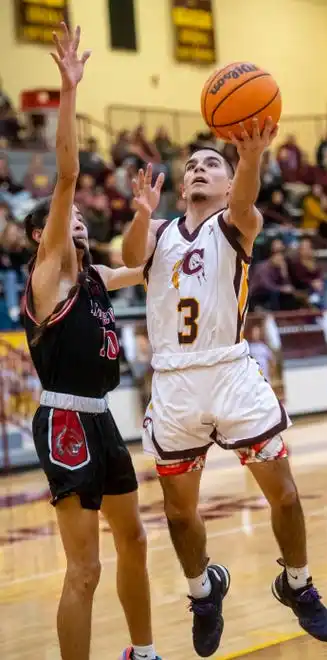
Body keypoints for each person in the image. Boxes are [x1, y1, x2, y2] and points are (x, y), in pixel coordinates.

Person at [122, 117, 327, 657]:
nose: (198, 169)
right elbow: (129, 259)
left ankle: (297, 582)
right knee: (178, 512)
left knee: (285, 496)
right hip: (174, 381)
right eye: (191, 165)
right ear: (181, 184)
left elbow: (245, 198)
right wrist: (142, 213)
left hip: (231, 372)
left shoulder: (238, 222)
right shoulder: (158, 232)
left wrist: (249, 156)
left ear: (225, 184)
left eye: (209, 164)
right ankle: (203, 591)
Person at [21, 23, 163, 660]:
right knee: (84, 570)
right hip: (65, 420)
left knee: (133, 541)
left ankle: (144, 651)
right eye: (67, 216)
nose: (77, 218)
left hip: (103, 418)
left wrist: (146, 216)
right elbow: (69, 173)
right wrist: (69, 92)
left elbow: (152, 265)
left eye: (80, 217)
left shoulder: (99, 277)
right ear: (43, 236)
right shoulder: (49, 273)